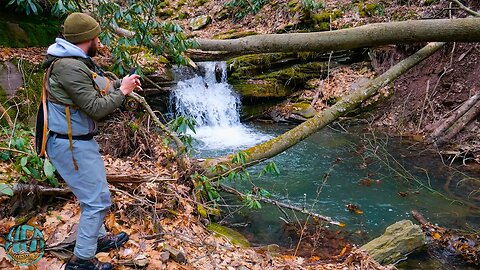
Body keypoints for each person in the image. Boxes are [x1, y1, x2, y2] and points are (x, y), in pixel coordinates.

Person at [43, 13, 141, 270]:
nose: (99, 40)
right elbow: (96, 108)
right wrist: (123, 92)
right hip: (69, 145)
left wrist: (122, 83)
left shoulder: (74, 61)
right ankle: (81, 260)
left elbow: (98, 86)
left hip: (77, 141)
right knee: (97, 201)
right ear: (86, 38)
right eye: (96, 35)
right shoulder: (68, 66)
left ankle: (95, 240)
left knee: (94, 197)